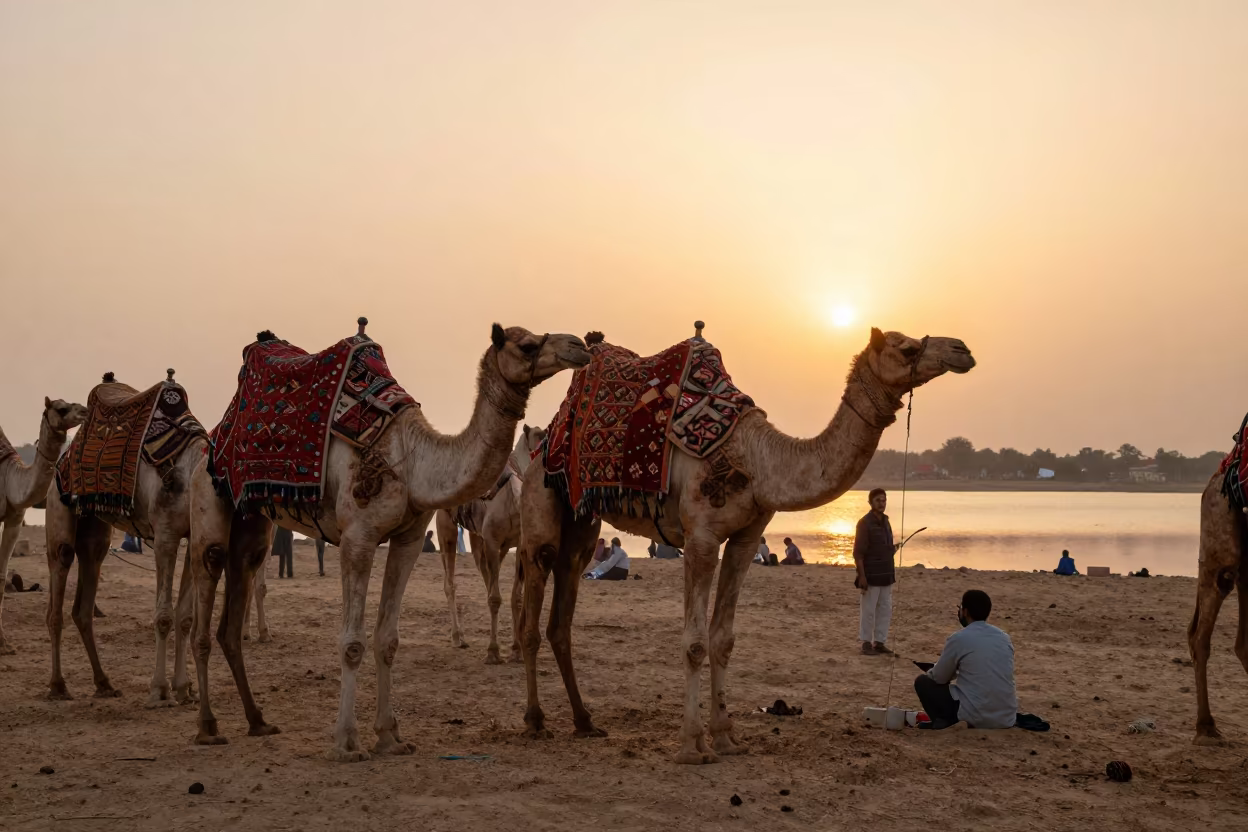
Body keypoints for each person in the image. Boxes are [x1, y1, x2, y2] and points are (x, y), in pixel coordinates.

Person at [915, 589, 1018, 730]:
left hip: (975, 716)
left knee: (923, 682)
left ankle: (942, 721)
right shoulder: (1004, 638)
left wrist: (933, 671)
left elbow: (939, 677)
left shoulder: (959, 638)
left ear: (965, 612)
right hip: (1006, 718)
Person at [854, 488, 897, 656]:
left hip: (887, 574)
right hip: (871, 575)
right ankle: (866, 643)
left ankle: (879, 642)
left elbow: (885, 547)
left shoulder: (886, 521)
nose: (881, 503)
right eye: (878, 500)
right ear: (870, 502)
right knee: (868, 610)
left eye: (884, 500)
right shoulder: (864, 523)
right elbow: (858, 553)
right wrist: (862, 576)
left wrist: (892, 549)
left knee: (885, 610)